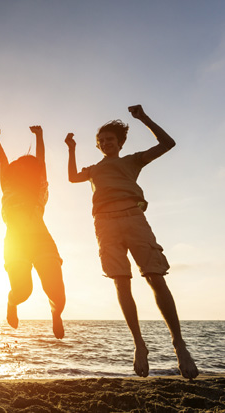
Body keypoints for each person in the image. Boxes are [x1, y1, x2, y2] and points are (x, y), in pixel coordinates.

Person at [65, 105, 198, 378]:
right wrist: (70, 148)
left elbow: (167, 143)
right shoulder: (92, 170)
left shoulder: (133, 160)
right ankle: (139, 344)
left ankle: (179, 343)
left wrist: (144, 118)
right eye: (100, 141)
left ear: (119, 142)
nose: (105, 144)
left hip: (133, 218)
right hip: (104, 223)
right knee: (120, 281)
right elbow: (71, 177)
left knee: (155, 277)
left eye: (109, 140)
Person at [0, 126, 65, 338]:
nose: (22, 168)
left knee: (57, 294)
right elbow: (2, 161)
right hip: (15, 242)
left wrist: (40, 136)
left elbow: (40, 161)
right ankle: (11, 303)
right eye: (19, 166)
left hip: (41, 239)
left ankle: (55, 313)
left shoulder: (39, 186)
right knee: (23, 291)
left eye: (27, 167)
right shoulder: (7, 185)